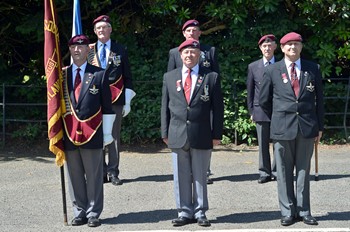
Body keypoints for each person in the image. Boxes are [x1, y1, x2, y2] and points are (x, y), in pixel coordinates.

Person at [259, 32, 324, 226]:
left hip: (307, 127)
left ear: (301, 47)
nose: (293, 48)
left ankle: (304, 211)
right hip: (282, 128)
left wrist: (320, 126)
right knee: (284, 171)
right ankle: (287, 211)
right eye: (289, 45)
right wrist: (279, 117)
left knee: (303, 171)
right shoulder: (273, 70)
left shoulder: (313, 69)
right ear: (282, 48)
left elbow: (319, 101)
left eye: (296, 44)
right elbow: (264, 101)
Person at [161, 39, 224, 227]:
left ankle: (200, 211)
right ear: (180, 55)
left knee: (200, 175)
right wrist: (165, 132)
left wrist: (217, 134)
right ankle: (184, 211)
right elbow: (165, 106)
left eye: (193, 52)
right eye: (186, 52)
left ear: (199, 55)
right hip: (177, 132)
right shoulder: (170, 77)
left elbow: (218, 108)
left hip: (202, 132)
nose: (189, 55)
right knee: (180, 175)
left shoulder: (211, 77)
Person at [62, 34, 115, 227]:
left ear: (87, 50)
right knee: (74, 175)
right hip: (69, 133)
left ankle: (93, 212)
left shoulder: (99, 74)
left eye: (81, 47)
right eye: (74, 47)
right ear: (70, 49)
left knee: (94, 175)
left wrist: (108, 134)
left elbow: (107, 107)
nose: (77, 50)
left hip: (93, 132)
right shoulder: (62, 75)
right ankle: (80, 211)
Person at [167, 19, 220, 184]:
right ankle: (188, 172)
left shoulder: (209, 50)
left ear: (200, 33)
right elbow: (171, 78)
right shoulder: (175, 52)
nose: (192, 33)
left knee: (204, 138)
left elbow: (215, 74)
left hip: (204, 99)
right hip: (183, 101)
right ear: (184, 33)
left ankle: (205, 170)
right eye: (189, 31)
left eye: (195, 30)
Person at [88, 15, 135, 186]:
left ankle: (113, 172)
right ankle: (100, 172)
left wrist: (127, 100)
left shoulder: (120, 49)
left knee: (114, 136)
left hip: (115, 99)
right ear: (95, 31)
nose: (101, 30)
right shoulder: (88, 50)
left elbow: (127, 76)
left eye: (105, 27)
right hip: (94, 99)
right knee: (97, 135)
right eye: (98, 28)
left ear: (110, 29)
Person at [246, 34, 277, 184]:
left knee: (279, 142)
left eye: (270, 45)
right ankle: (264, 172)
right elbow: (250, 91)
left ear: (275, 47)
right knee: (263, 144)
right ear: (260, 48)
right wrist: (251, 111)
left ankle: (278, 171)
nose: (267, 48)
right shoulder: (253, 66)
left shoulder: (282, 64)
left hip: (279, 110)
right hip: (260, 111)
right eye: (264, 46)